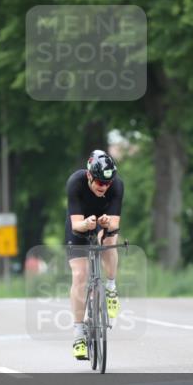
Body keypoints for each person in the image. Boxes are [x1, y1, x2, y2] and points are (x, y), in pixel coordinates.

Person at [66, 150, 124, 361]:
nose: (104, 187)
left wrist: (105, 224)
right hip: (80, 224)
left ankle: (110, 288)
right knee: (80, 275)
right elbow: (76, 224)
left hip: (103, 222)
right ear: (89, 176)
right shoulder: (75, 182)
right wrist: (87, 224)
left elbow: (116, 223)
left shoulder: (116, 185)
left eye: (108, 183)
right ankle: (79, 334)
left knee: (110, 241)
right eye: (100, 182)